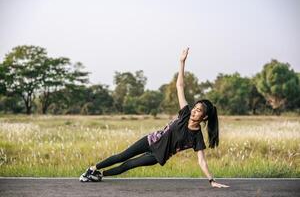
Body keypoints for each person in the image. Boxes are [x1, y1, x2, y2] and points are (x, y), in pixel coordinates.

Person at [79, 48, 230, 188]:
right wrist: (182, 62)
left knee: (129, 165)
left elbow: (201, 161)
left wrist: (212, 180)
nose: (194, 112)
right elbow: (180, 86)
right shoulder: (185, 114)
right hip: (150, 140)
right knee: (122, 156)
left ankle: (98, 175)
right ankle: (92, 169)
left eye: (198, 111)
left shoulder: (197, 137)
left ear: (204, 117)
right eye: (195, 108)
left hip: (157, 155)